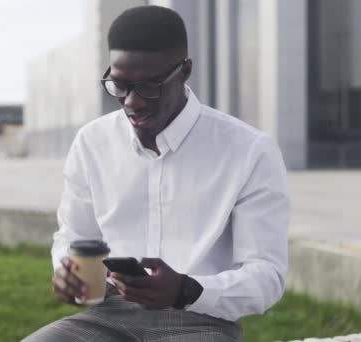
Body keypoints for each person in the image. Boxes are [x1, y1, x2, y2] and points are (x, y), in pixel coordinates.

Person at [23, 5, 289, 342]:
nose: (132, 102)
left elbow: (267, 275)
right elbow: (73, 236)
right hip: (106, 317)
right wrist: (67, 270)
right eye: (119, 85)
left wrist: (185, 290)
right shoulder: (92, 142)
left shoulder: (250, 151)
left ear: (185, 71)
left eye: (150, 86)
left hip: (201, 321)